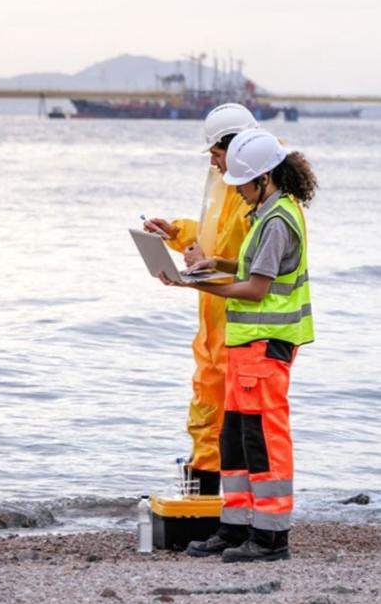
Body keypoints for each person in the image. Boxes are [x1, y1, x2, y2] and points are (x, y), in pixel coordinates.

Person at [157, 128, 318, 562]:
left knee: (263, 440)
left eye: (242, 184)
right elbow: (250, 266)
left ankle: (269, 537)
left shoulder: (278, 220)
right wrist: (216, 263)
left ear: (264, 178)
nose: (239, 192)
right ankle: (235, 526)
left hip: (266, 345)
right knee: (235, 439)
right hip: (246, 346)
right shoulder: (267, 213)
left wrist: (197, 286)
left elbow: (255, 289)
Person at [144, 103, 257, 495]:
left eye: (216, 152)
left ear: (237, 146)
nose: (212, 161)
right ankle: (205, 503)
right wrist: (176, 233)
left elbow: (253, 261)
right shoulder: (227, 181)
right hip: (214, 320)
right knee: (207, 411)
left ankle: (239, 510)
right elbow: (213, 238)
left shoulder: (260, 188)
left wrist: (202, 263)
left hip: (243, 321)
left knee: (240, 420)